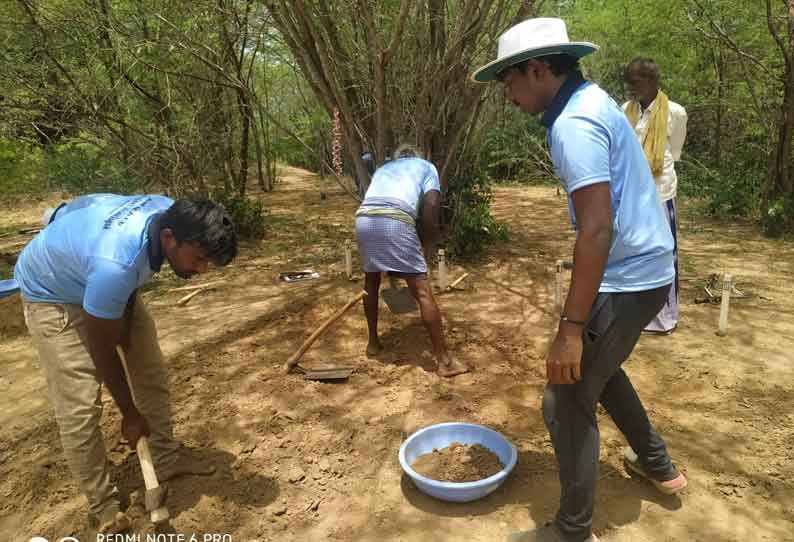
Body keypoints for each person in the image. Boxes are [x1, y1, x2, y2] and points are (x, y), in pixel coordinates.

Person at [472, 18, 687, 542]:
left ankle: (572, 530)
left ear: (538, 69)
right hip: (645, 267)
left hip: (631, 275)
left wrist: (570, 327)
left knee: (565, 397)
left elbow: (596, 227)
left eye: (510, 83)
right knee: (601, 371)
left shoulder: (573, 123)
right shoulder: (593, 101)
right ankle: (659, 465)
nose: (508, 96)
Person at [14, 194, 238, 534]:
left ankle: (164, 459)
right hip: (53, 292)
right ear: (169, 239)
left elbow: (126, 272)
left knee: (149, 370)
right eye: (200, 259)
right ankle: (103, 505)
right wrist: (130, 416)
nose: (202, 269)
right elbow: (102, 348)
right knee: (80, 405)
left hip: (102, 276)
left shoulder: (170, 215)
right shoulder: (115, 265)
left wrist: (125, 320)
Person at [354, 144, 468, 377]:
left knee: (371, 282)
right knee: (423, 292)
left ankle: (373, 343)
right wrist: (426, 243)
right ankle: (444, 362)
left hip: (364, 218)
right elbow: (432, 207)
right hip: (395, 219)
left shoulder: (384, 169)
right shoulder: (427, 167)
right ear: (417, 157)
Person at [623, 57, 688, 334]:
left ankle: (664, 318)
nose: (630, 88)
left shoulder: (675, 112)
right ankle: (635, 314)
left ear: (651, 81)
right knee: (635, 251)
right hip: (631, 193)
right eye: (628, 83)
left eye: (635, 82)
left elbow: (674, 152)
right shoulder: (625, 109)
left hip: (661, 191)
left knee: (663, 251)